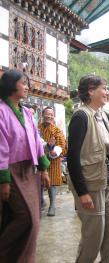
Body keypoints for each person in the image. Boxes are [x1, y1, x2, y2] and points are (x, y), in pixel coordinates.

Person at [67, 75, 109, 263]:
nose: (108, 92)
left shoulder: (102, 115)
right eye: (105, 88)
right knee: (93, 236)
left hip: (106, 182)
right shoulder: (81, 116)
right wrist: (82, 192)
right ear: (90, 91)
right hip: (90, 185)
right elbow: (73, 158)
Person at [0, 69, 50, 263]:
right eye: (24, 83)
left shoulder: (27, 112)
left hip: (30, 171)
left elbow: (36, 141)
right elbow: (1, 148)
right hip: (11, 170)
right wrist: (4, 180)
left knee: (35, 219)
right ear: (11, 85)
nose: (28, 87)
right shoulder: (2, 111)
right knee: (26, 217)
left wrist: (44, 169)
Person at [39, 106, 67, 216]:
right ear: (42, 115)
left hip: (53, 161)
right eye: (47, 114)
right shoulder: (38, 128)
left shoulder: (57, 130)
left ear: (53, 116)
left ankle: (52, 205)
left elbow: (61, 144)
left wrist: (54, 152)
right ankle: (41, 202)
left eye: (51, 114)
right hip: (39, 159)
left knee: (52, 184)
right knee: (39, 182)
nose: (49, 116)